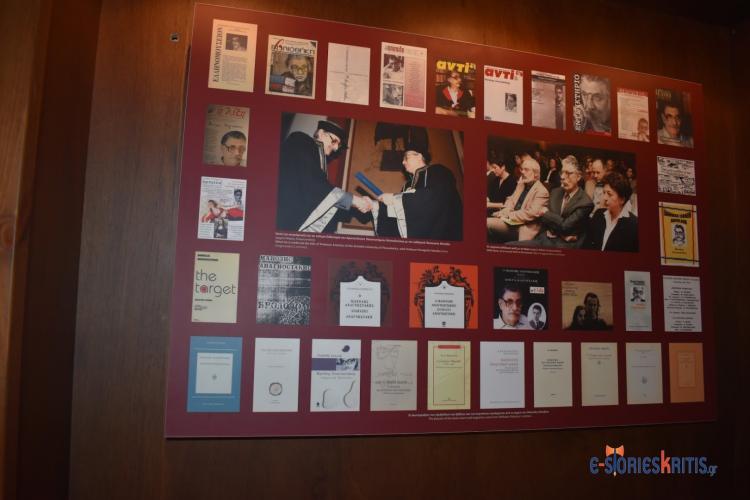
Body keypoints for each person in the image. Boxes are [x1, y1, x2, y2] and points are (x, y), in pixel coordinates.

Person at [276, 120, 371, 233]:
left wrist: (358, 209)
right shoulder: (300, 140)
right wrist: (354, 200)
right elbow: (313, 187)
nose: (336, 148)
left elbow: (322, 199)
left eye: (338, 145)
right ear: (321, 133)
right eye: (334, 141)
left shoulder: (317, 158)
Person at [373, 143, 463, 241]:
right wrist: (375, 206)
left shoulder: (439, 171)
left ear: (419, 156)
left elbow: (439, 197)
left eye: (406, 157)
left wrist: (395, 198)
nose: (403, 162)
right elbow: (400, 215)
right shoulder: (407, 186)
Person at [525, 155, 593, 248]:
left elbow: (565, 226)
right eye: (562, 172)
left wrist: (546, 213)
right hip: (544, 239)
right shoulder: (555, 192)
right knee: (510, 246)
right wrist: (560, 230)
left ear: (578, 176)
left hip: (563, 246)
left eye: (568, 173)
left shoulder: (585, 202)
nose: (562, 177)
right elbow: (544, 221)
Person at [487, 158, 549, 243]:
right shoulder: (521, 184)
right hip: (510, 221)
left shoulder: (542, 191)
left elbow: (531, 213)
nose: (522, 172)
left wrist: (509, 215)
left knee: (486, 223)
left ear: (535, 173)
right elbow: (511, 200)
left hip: (523, 228)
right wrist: (505, 211)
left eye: (526, 170)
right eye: (522, 169)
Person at [584, 172, 638, 252]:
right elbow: (587, 246)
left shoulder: (634, 225)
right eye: (604, 193)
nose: (604, 198)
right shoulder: (599, 214)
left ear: (622, 199)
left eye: (609, 194)